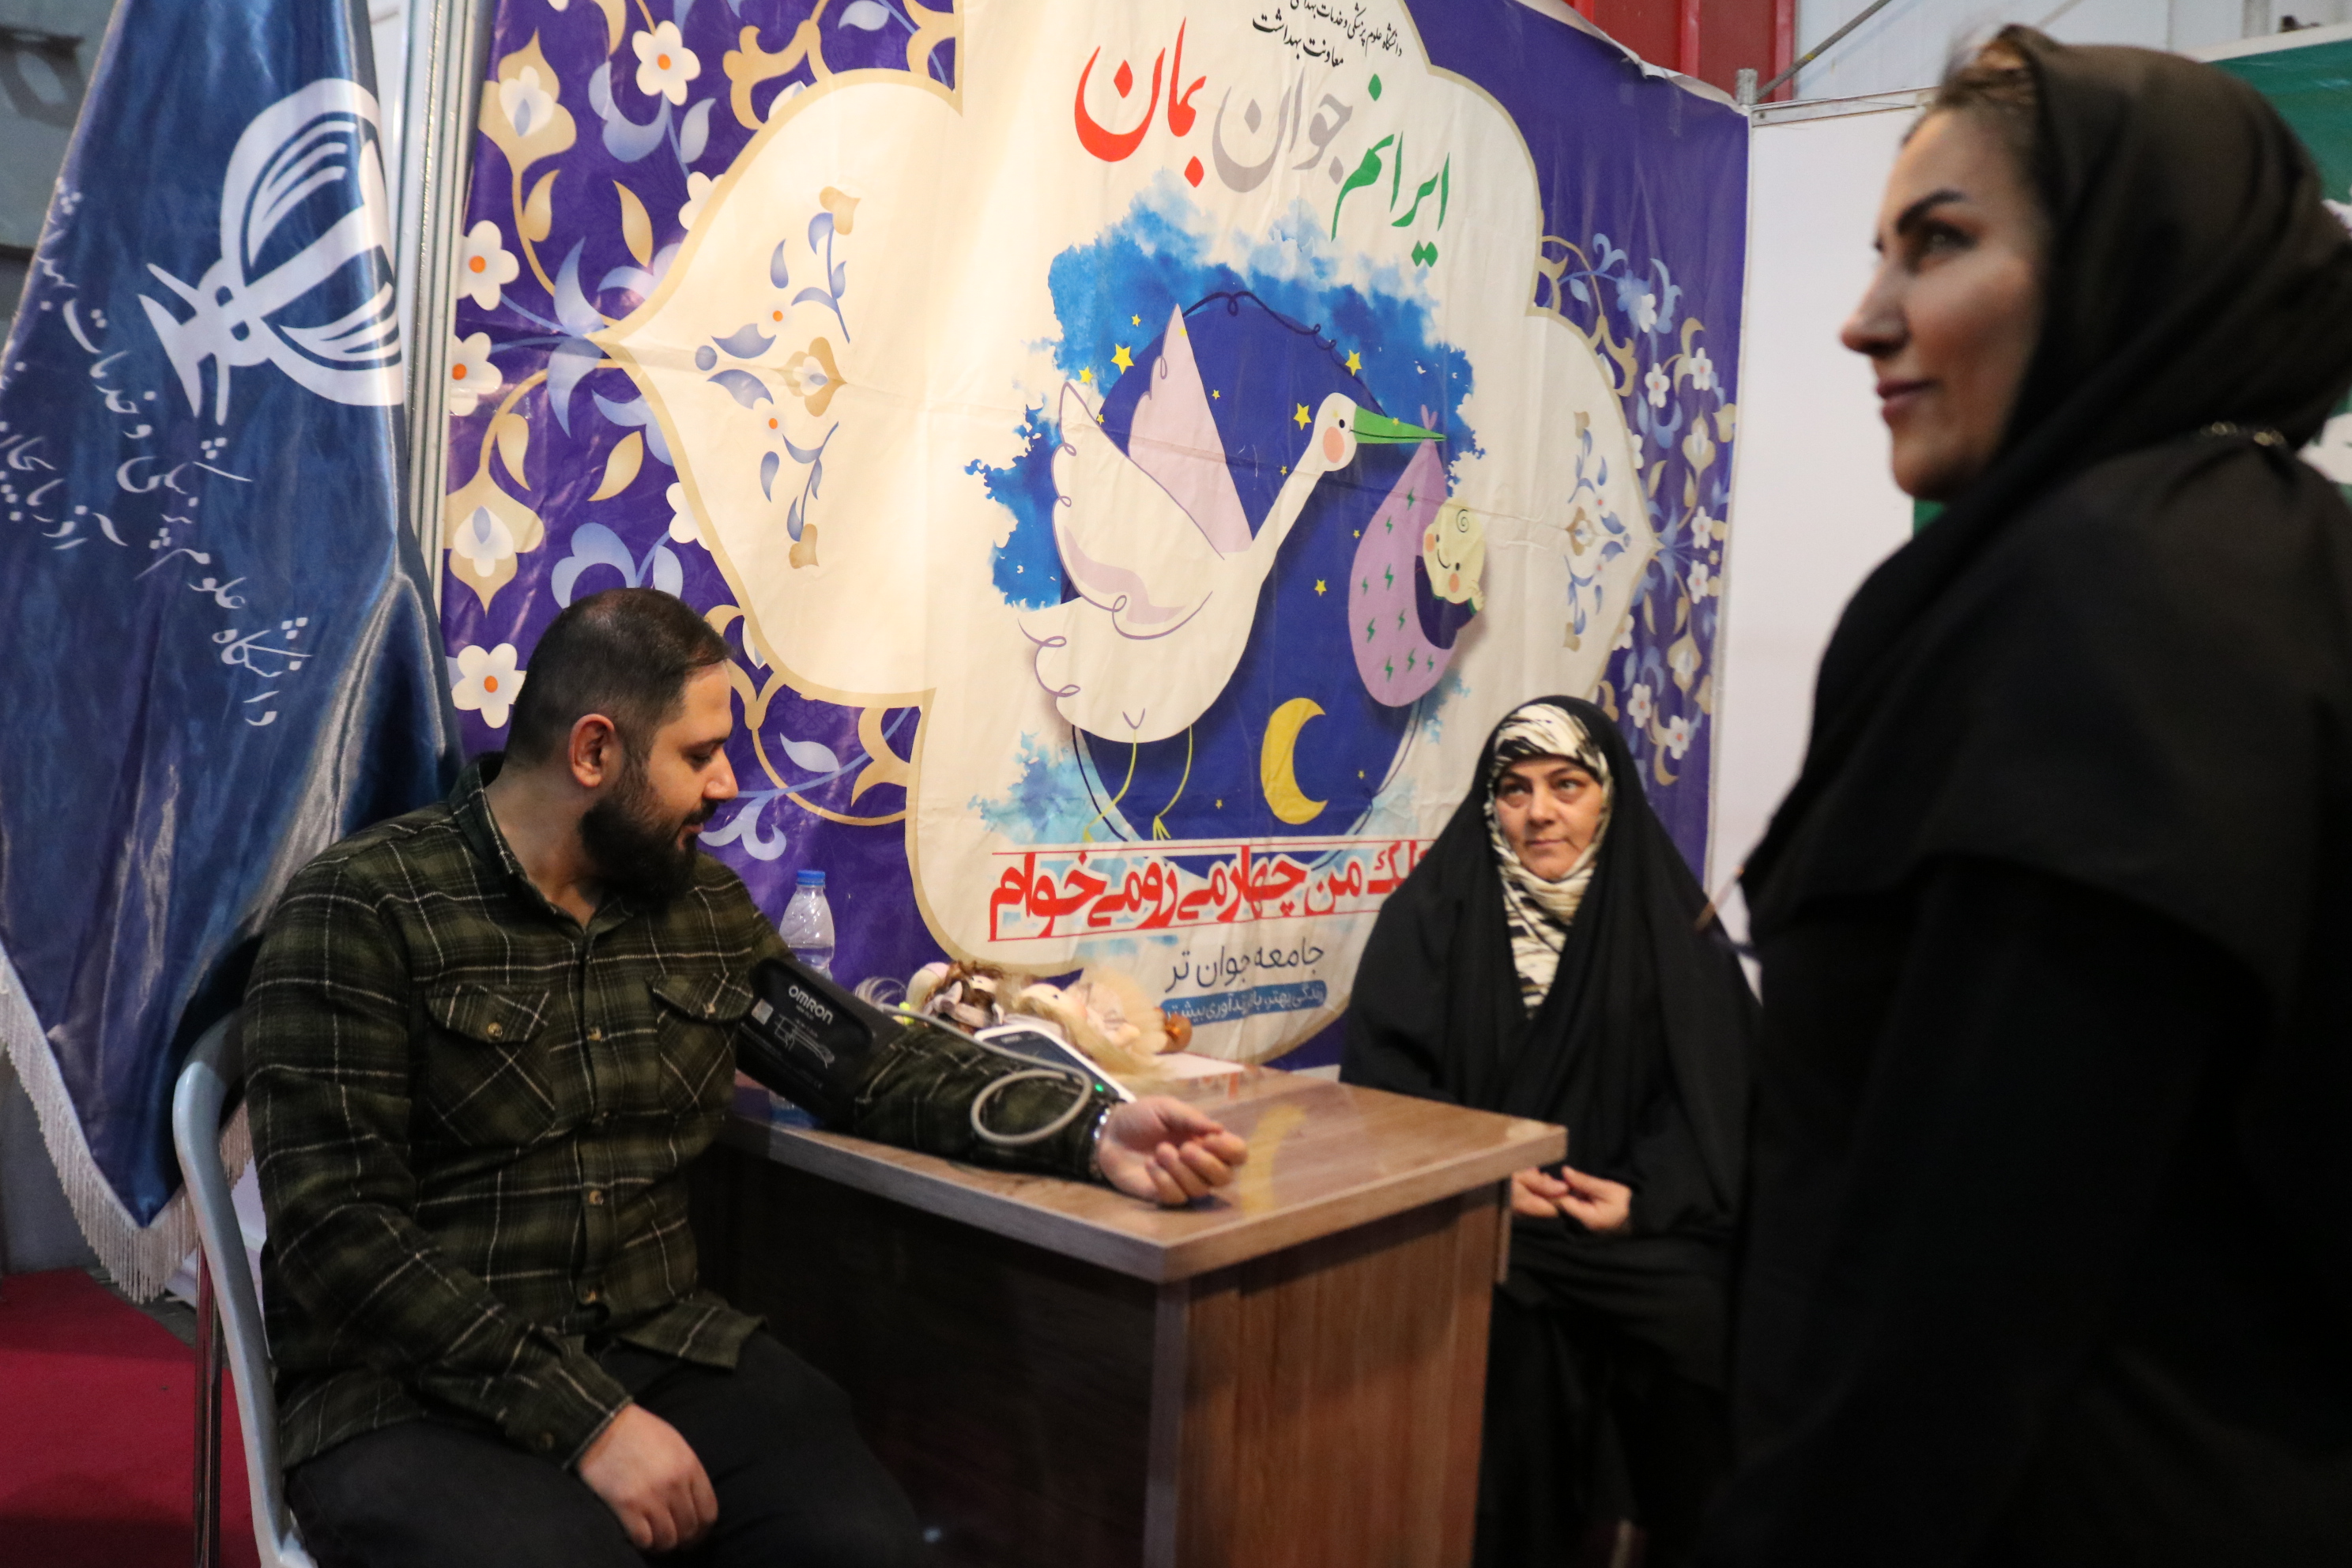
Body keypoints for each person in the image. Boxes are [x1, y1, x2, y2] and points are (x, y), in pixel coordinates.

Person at [1704, 29, 2352, 1567]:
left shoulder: (2119, 596)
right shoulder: (2282, 565)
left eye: (1939, 243)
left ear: (2131, 257)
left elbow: (1964, 1288)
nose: (1865, 318)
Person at [244, 587, 1248, 1568]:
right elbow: (341, 1233)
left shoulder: (700, 911)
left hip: (657, 1348)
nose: (726, 783)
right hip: (412, 1388)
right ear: (593, 752)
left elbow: (868, 1063)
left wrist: (1090, 1127)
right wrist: (587, 1421)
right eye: (698, 754)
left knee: (862, 1545)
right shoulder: (360, 909)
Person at [1341, 697, 1755, 1568]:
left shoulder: (1668, 924)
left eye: (1567, 786)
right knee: (1503, 1335)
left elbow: (1718, 1092)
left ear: (1608, 797)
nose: (1540, 812)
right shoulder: (1432, 916)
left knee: (1711, 1320)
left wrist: (1644, 1201)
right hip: (1485, 1223)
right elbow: (1383, 1090)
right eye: (1515, 789)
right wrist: (1481, 1176)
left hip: (1625, 1218)